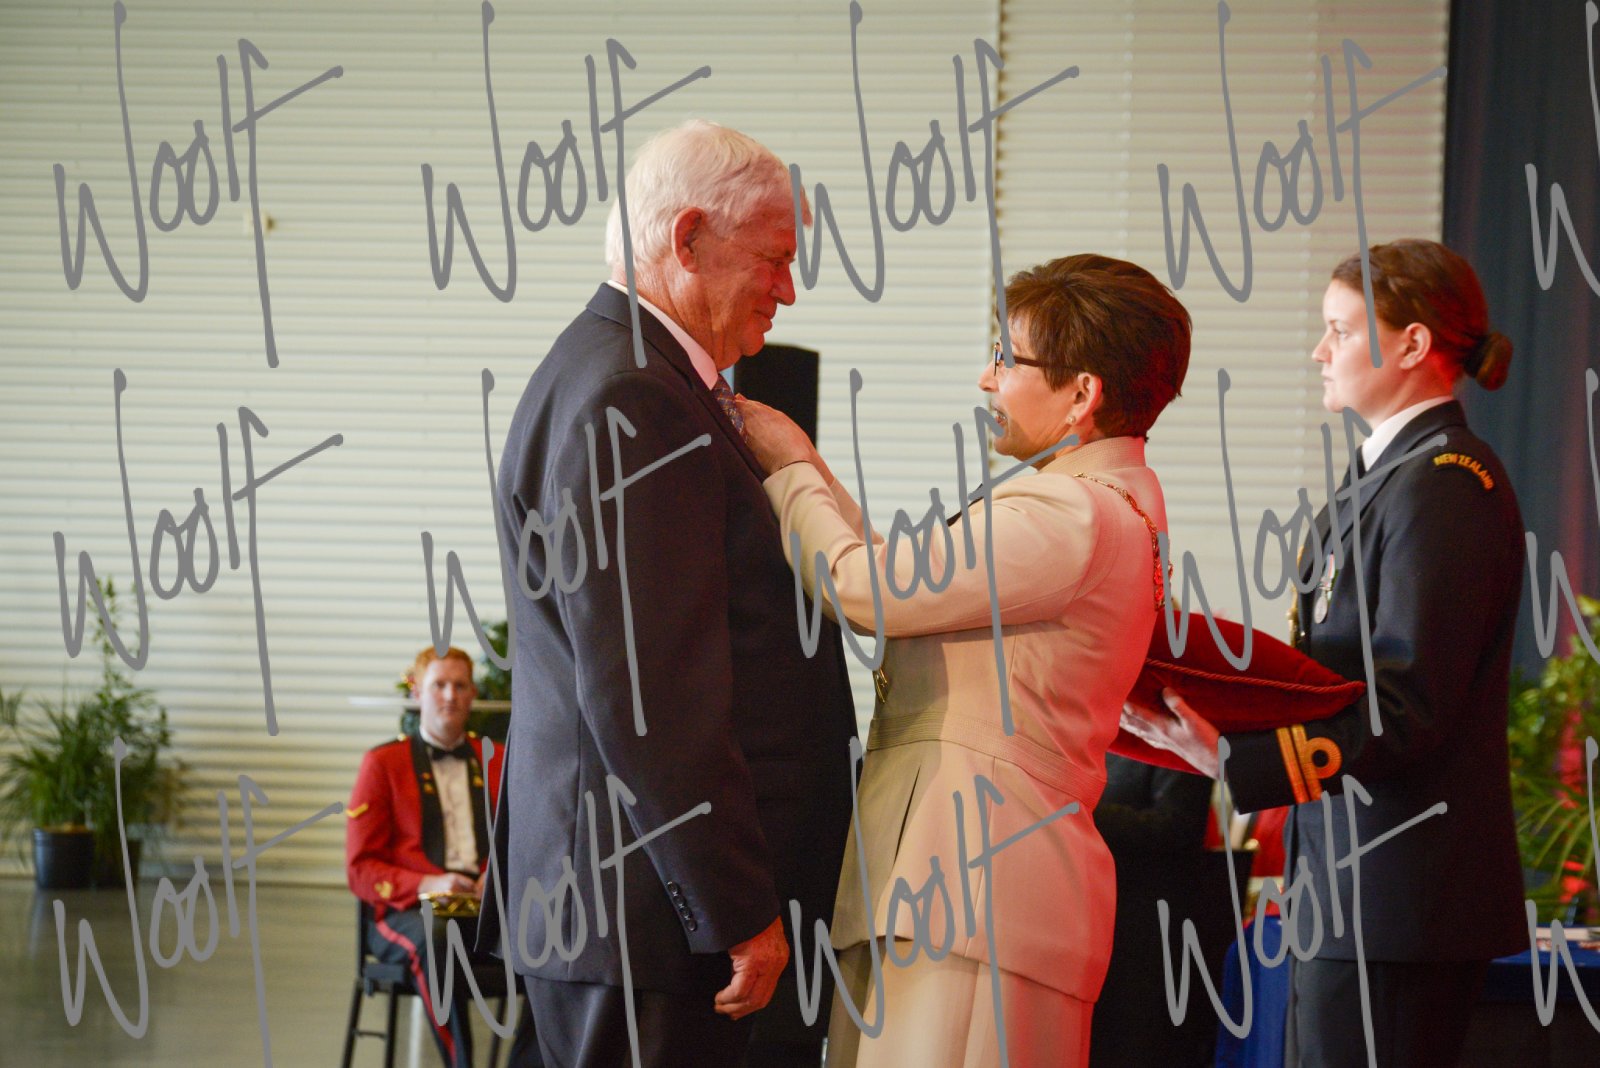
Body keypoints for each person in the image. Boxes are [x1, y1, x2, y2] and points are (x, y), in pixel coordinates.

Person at [740, 253, 1192, 1068]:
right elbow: (905, 573)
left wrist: (790, 467)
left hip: (972, 896)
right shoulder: (1105, 508)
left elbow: (866, 589)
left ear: (1083, 393)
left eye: (1007, 359)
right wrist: (812, 474)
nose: (987, 379)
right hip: (973, 891)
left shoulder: (1071, 514)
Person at [487, 119, 857, 1068]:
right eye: (775, 258)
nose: (788, 289)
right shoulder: (636, 396)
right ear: (688, 239)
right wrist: (732, 908)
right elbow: (651, 692)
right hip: (649, 920)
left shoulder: (616, 370)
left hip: (631, 908)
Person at [1121, 239, 1524, 1068]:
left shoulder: (1444, 482)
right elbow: (1337, 678)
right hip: (1354, 886)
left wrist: (1237, 755)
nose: (1319, 351)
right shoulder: (1392, 474)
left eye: (1340, 330)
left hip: (1400, 898)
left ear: (1412, 344)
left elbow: (1407, 706)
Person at [345, 645, 509, 1068]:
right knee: (439, 936)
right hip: (405, 915)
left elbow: (524, 843)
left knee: (560, 939)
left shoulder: (499, 761)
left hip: (484, 912)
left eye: (460, 686)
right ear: (417, 692)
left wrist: (497, 877)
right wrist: (429, 884)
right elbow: (360, 869)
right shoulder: (382, 763)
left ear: (473, 694)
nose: (450, 696)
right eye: (439, 685)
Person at [1089, 754, 1227, 1068]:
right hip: (1098, 913)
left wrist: (1085, 810)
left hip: (1149, 926)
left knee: (1136, 1041)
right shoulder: (1100, 742)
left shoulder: (1176, 746)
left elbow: (1177, 825)